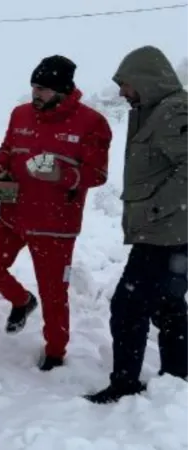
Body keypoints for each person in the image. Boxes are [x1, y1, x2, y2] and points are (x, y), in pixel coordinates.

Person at [0, 55, 112, 371]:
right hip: (13, 213)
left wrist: (64, 175)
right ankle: (22, 301)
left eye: (43, 89)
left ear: (64, 90)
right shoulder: (20, 114)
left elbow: (98, 174)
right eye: (34, 87)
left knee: (54, 293)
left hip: (55, 223)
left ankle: (55, 351)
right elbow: (7, 151)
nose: (36, 94)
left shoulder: (92, 123)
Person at [84, 45, 188, 404]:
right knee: (168, 305)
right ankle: (177, 377)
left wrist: (157, 209)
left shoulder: (173, 111)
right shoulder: (152, 111)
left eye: (126, 84)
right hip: (168, 234)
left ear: (146, 79)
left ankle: (125, 383)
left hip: (166, 235)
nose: (122, 92)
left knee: (128, 307)